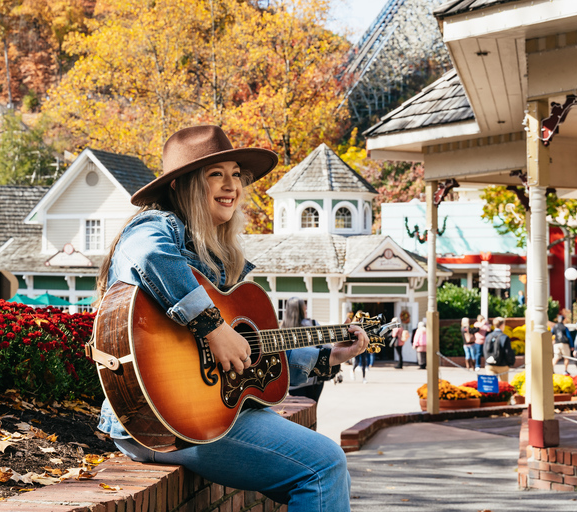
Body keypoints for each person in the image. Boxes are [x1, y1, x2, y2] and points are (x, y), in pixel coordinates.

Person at [94, 125, 370, 512]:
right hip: (161, 422)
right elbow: (149, 257)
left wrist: (328, 358)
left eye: (236, 174)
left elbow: (248, 354)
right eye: (216, 174)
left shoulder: (218, 260)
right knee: (323, 465)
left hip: (199, 416)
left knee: (317, 471)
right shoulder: (155, 226)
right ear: (181, 184)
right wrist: (212, 326)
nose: (232, 185)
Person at [282, 297, 331, 403]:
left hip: (292, 381)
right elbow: (328, 347)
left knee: (298, 413)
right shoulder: (312, 325)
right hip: (313, 378)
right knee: (312, 411)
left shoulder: (282, 328)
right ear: (301, 308)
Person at [484, 317, 515, 382]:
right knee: (504, 387)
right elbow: (508, 352)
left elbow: (484, 350)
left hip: (490, 365)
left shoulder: (488, 336)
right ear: (502, 325)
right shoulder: (504, 337)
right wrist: (510, 363)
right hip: (502, 365)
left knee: (491, 387)